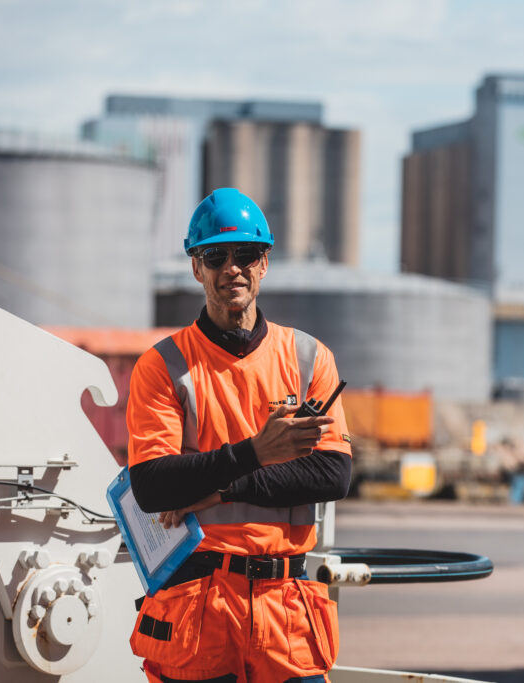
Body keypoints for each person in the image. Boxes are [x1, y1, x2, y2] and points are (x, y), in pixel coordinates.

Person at [125, 188, 352, 683]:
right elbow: (154, 485)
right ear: (196, 268)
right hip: (199, 611)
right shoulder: (164, 366)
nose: (233, 268)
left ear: (264, 263)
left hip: (287, 613)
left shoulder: (309, 358)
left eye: (246, 254)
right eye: (216, 256)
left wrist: (220, 487)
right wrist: (259, 452)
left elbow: (332, 474)